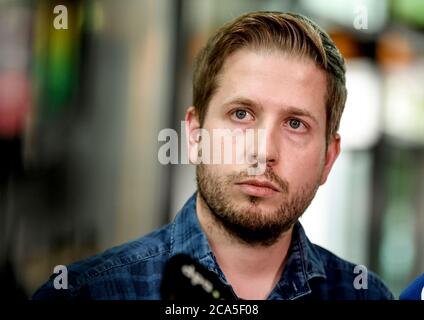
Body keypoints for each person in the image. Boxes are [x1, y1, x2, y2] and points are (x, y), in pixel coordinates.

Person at [33, 11, 393, 300]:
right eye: (241, 114)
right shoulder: (85, 295)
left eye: (296, 124)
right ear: (194, 134)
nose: (263, 152)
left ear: (328, 159)